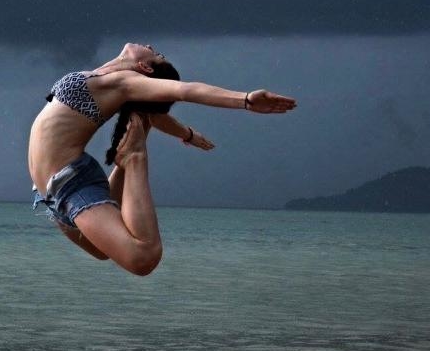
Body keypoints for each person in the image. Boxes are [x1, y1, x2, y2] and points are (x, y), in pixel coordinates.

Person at [27, 43, 296, 276]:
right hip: (50, 195)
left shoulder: (123, 82)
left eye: (157, 54)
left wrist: (245, 100)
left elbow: (186, 90)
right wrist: (187, 134)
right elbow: (154, 114)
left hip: (71, 182)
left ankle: (133, 158)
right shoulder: (107, 78)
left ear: (144, 67)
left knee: (143, 258)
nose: (151, 47)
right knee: (101, 251)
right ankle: (124, 165)